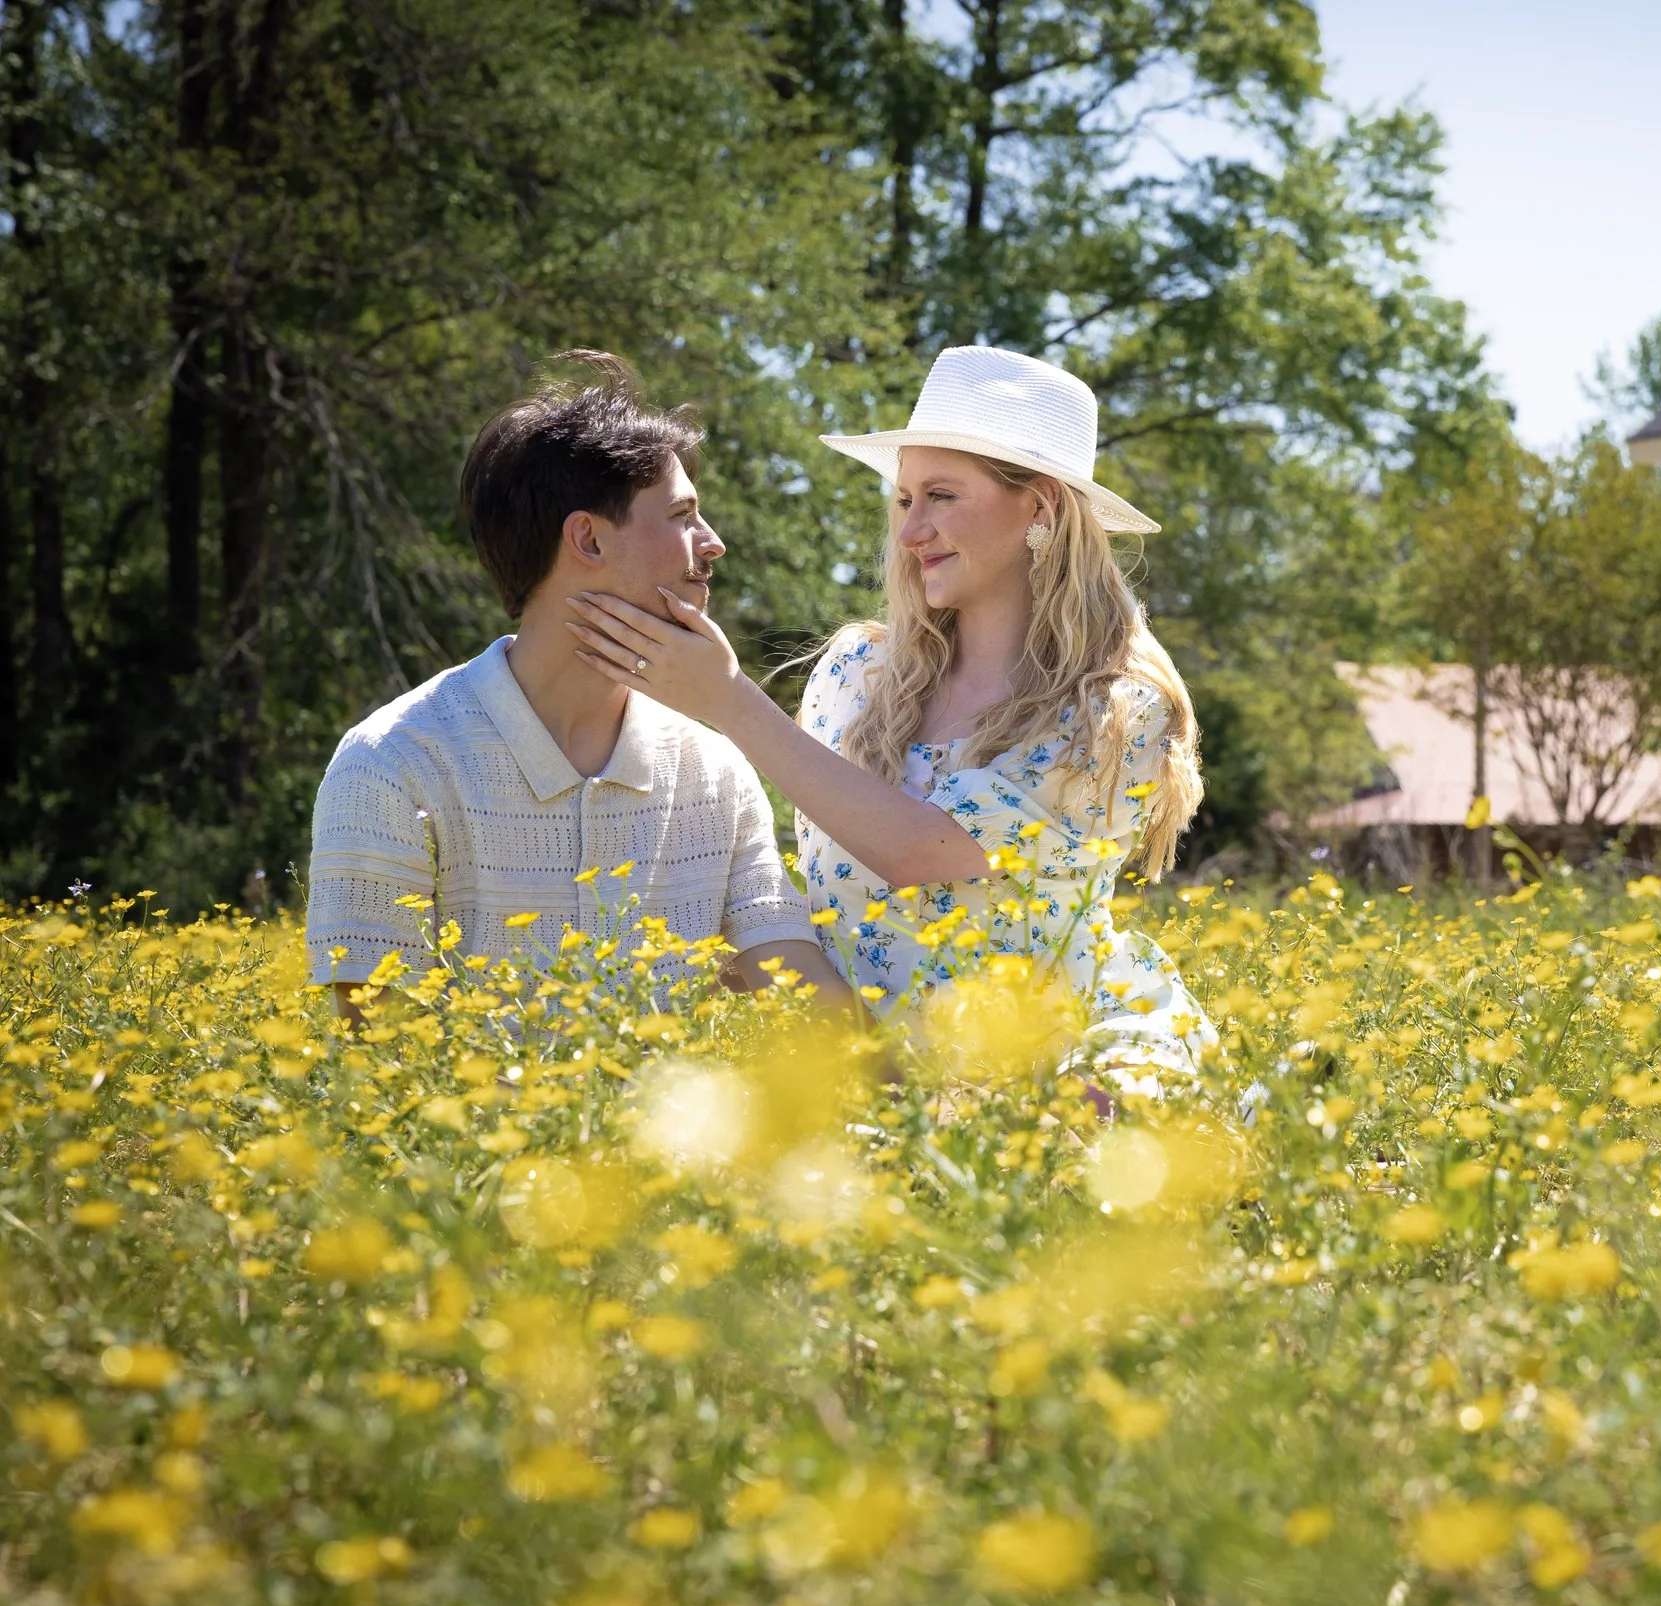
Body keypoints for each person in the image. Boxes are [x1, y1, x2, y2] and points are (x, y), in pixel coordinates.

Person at [567, 345, 1215, 1088]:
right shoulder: (856, 674)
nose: (910, 534)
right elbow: (814, 897)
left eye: (941, 496)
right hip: (871, 1077)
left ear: (1040, 506)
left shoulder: (1115, 709)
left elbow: (919, 852)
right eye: (904, 501)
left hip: (1057, 1067)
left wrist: (726, 698)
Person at [305, 353, 851, 1018]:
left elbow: (819, 1017)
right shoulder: (391, 766)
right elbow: (380, 1062)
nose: (712, 544)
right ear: (587, 539)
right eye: (682, 515)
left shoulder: (715, 775)